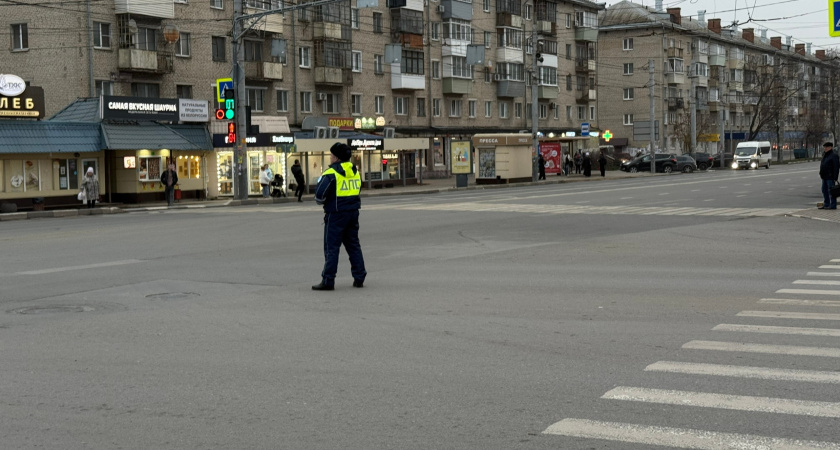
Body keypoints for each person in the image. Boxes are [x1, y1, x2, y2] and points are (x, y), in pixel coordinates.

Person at [311, 143, 366, 291]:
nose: (330, 157)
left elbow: (319, 195)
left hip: (335, 214)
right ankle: (359, 277)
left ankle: (328, 280)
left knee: (332, 248)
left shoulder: (331, 173)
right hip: (353, 212)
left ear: (335, 157)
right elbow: (358, 189)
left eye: (331, 155)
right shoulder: (355, 171)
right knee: (353, 245)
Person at [818, 142, 839, 210]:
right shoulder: (825, 155)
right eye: (824, 147)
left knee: (831, 191)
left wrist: (835, 177)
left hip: (830, 177)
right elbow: (823, 165)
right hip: (824, 176)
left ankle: (833, 205)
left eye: (826, 147)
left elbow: (836, 167)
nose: (825, 148)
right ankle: (826, 203)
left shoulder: (834, 156)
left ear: (830, 147)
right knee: (824, 190)